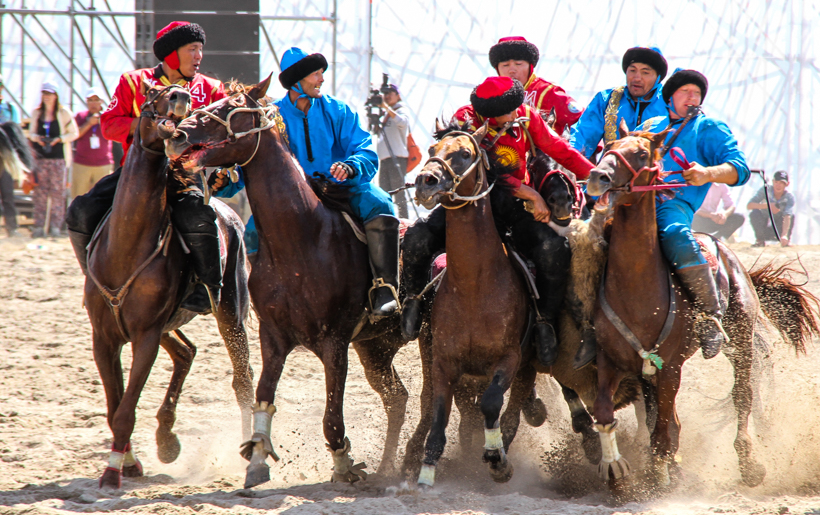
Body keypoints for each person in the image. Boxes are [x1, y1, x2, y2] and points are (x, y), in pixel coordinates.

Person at [399, 76, 593, 366]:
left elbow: (559, 150)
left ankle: (545, 322)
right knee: (416, 237)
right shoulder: (465, 121)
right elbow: (486, 168)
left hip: (513, 210)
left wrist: (598, 176)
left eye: (518, 106)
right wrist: (529, 193)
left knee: (554, 251)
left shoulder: (526, 116)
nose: (518, 112)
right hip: (465, 209)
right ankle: (412, 301)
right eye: (511, 110)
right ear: (489, 115)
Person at [213, 47, 401, 321]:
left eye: (321, 73)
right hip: (289, 200)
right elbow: (250, 162)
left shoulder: (338, 110)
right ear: (297, 81)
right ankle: (264, 298)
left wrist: (351, 167)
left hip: (342, 189)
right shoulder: (270, 118)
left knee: (381, 203)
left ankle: (384, 288)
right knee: (252, 230)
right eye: (316, 74)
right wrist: (227, 179)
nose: (322, 79)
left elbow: (364, 149)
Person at [579, 69, 749, 365]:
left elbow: (739, 168)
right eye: (685, 92)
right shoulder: (650, 125)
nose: (692, 97)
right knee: (591, 241)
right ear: (669, 98)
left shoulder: (709, 128)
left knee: (674, 234)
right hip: (632, 202)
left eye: (697, 93)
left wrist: (707, 173)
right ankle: (585, 326)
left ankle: (710, 317)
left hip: (674, 205)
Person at [66, 21, 227, 314]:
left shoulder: (212, 89)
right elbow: (109, 124)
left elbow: (224, 135)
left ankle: (208, 289)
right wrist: (144, 124)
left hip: (184, 178)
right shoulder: (132, 82)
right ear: (172, 54)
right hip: (133, 175)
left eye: (200, 49)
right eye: (193, 49)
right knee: (80, 211)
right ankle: (92, 279)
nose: (199, 56)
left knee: (199, 219)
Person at [572, 46, 669, 162]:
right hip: (608, 174)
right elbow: (582, 136)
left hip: (656, 176)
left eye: (645, 72)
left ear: (658, 78)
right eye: (632, 70)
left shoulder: (670, 104)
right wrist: (569, 160)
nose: (637, 78)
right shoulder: (606, 99)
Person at [489, 36, 583, 136]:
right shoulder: (489, 97)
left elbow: (583, 122)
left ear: (531, 66)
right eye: (505, 65)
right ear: (497, 69)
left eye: (518, 64)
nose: (512, 70)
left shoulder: (548, 93)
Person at [28, 80, 78, 238]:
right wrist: (38, 138)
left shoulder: (64, 113)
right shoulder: (37, 113)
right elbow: (31, 133)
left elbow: (74, 133)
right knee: (40, 193)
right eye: (44, 93)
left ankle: (55, 226)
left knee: (58, 193)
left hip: (59, 159)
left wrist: (59, 139)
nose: (46, 97)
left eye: (49, 94)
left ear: (56, 96)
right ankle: (39, 225)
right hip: (41, 158)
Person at [376, 82, 411, 219]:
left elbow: (403, 123)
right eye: (385, 94)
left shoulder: (401, 110)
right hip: (385, 159)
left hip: (397, 158)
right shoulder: (385, 114)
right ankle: (387, 219)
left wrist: (386, 108)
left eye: (390, 93)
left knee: (399, 194)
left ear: (398, 95)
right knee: (384, 193)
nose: (387, 97)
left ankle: (404, 220)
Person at [0, 71, 20, 237]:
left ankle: (12, 227)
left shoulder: (9, 108)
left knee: (7, 192)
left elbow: (15, 131)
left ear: (1, 87)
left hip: (5, 155)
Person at [72, 88, 112, 198]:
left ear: (101, 102)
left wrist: (102, 122)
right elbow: (75, 134)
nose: (93, 103)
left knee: (103, 197)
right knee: (78, 196)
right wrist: (88, 124)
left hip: (103, 164)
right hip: (82, 163)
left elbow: (113, 134)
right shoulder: (80, 116)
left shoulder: (108, 116)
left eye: (96, 100)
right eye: (90, 100)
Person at [746, 170, 795, 247]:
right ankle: (760, 240)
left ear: (787, 184)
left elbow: (787, 216)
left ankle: (785, 240)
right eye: (776, 182)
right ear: (773, 181)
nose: (778, 185)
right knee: (754, 213)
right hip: (763, 226)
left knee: (792, 216)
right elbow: (749, 205)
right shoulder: (765, 190)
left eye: (782, 183)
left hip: (778, 228)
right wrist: (768, 206)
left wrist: (784, 235)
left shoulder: (789, 197)